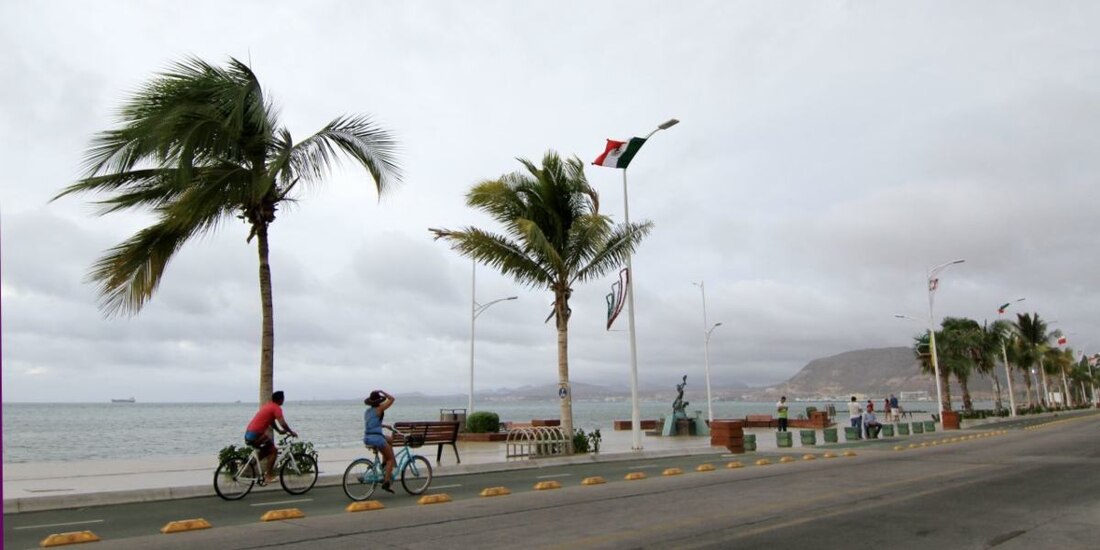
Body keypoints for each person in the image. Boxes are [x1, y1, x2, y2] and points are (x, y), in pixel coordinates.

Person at [244, 390, 297, 484]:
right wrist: (291, 432)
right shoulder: (276, 408)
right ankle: (268, 476)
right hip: (255, 434)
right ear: (280, 399)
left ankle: (249, 466)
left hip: (249, 433)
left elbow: (271, 421)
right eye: (283, 398)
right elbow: (282, 423)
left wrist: (279, 431)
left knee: (266, 450)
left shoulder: (268, 406)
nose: (284, 400)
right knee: (273, 451)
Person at [363, 389, 396, 493]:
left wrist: (385, 426)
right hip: (377, 439)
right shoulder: (380, 409)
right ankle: (386, 482)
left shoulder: (367, 412)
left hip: (367, 437)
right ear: (379, 401)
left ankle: (384, 465)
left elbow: (373, 424)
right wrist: (382, 391)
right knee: (391, 459)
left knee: (390, 439)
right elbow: (392, 399)